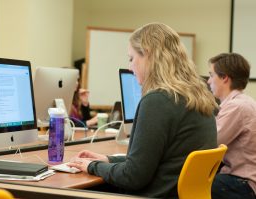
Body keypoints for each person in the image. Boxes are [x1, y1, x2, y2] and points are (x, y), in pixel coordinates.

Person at [67, 22, 218, 198]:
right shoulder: (199, 96)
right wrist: (107, 160)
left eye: (131, 59)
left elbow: (133, 176)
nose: (130, 68)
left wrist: (91, 166)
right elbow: (157, 161)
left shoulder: (158, 100)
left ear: (148, 55)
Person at [208, 53, 256, 199]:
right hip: (242, 179)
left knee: (182, 184)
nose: (209, 81)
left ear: (225, 78)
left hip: (242, 183)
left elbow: (209, 143)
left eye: (211, 75)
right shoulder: (244, 101)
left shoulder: (236, 107)